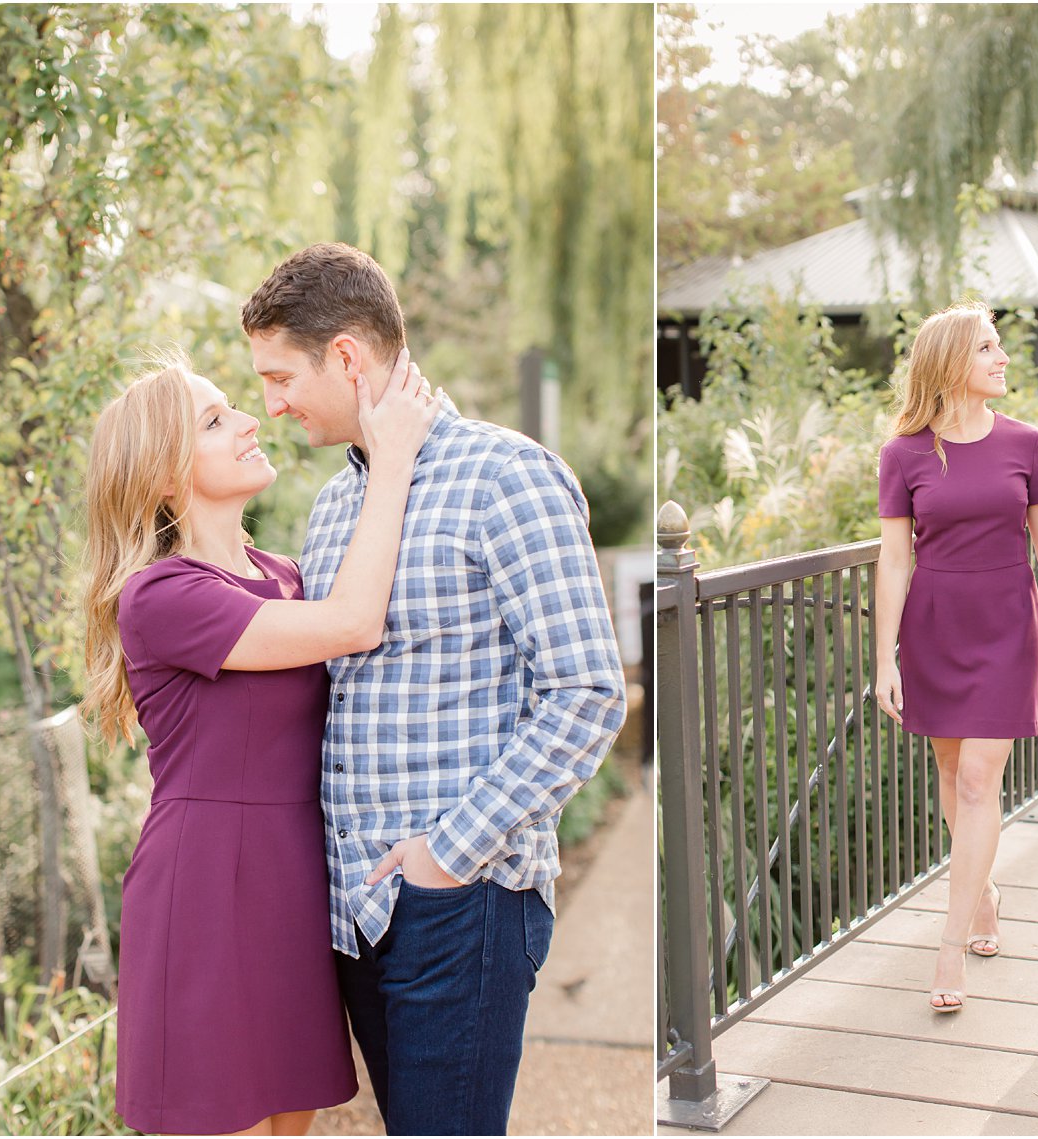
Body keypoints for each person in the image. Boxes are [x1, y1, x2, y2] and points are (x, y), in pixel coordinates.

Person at [239, 242, 628, 1136]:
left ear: (347, 356)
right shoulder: (337, 505)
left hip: (461, 900)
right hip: (357, 910)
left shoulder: (509, 477)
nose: (271, 403)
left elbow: (586, 691)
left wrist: (448, 856)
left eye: (279, 375)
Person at [81, 348, 437, 1135]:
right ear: (166, 475)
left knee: (290, 1122)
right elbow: (354, 623)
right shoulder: (163, 594)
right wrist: (392, 459)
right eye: (215, 420)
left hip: (293, 881)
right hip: (204, 886)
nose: (250, 420)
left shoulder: (284, 573)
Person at [873, 301, 1038, 1012]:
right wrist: (884, 659)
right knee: (954, 772)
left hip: (1005, 626)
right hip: (933, 626)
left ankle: (949, 944)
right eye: (988, 347)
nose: (1002, 357)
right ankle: (982, 891)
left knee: (980, 779)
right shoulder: (904, 453)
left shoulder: (1027, 443)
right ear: (954, 362)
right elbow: (895, 561)